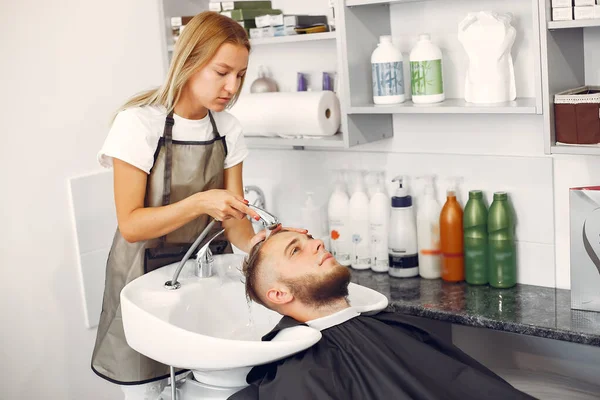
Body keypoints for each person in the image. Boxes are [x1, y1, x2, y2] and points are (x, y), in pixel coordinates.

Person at [90, 11, 283, 399]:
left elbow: (236, 226)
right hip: (142, 278)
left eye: (241, 75)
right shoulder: (138, 124)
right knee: (148, 391)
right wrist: (200, 202)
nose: (232, 86)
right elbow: (131, 225)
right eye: (222, 72)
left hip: (202, 278)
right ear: (190, 61)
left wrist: (271, 248)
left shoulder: (228, 129)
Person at [230, 230, 536, 400]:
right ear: (280, 294)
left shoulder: (389, 326)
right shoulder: (301, 374)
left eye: (308, 238)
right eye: (295, 250)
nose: (316, 243)